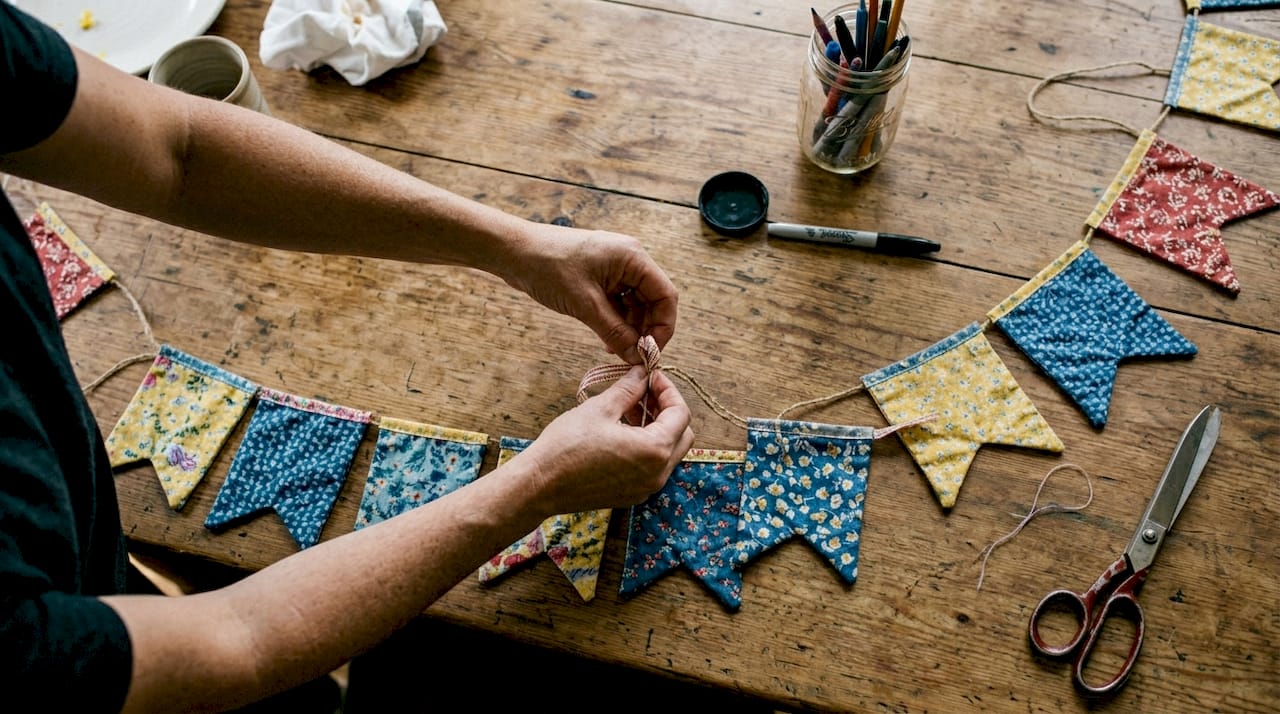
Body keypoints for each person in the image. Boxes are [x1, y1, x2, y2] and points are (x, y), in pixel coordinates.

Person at [0, 5, 695, 712]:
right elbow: (236, 639)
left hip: (98, 575)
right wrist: (537, 485)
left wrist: (520, 246)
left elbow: (178, 148)